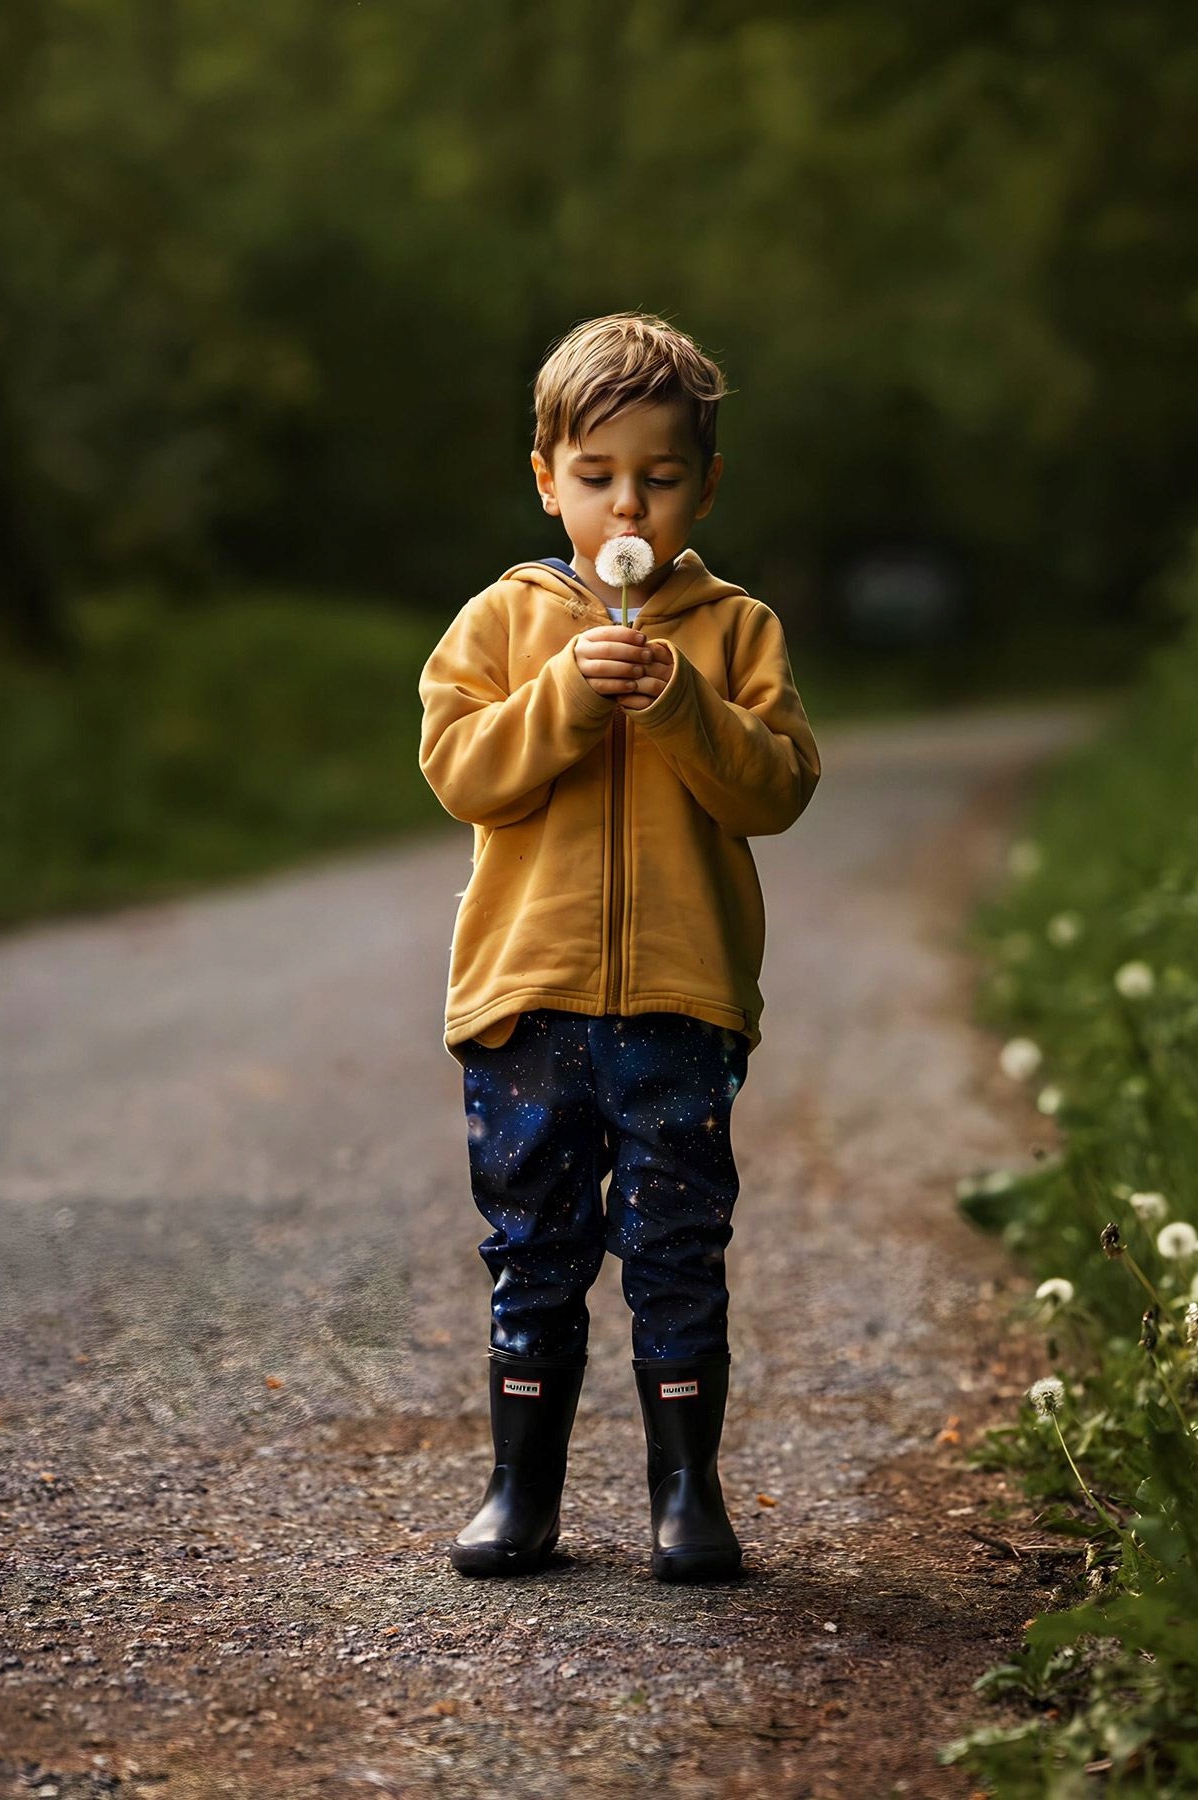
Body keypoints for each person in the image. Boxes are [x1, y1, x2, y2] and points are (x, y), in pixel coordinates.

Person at [417, 312, 822, 1581]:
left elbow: (778, 788)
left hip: (679, 1001)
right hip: (526, 1001)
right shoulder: (502, 622)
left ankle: (687, 1493)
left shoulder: (734, 630)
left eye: (656, 476)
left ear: (703, 485)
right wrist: (564, 697)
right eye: (596, 479)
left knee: (675, 1246)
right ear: (547, 481)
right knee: (533, 1244)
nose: (625, 503)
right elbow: (461, 772)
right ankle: (519, 1491)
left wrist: (684, 705)